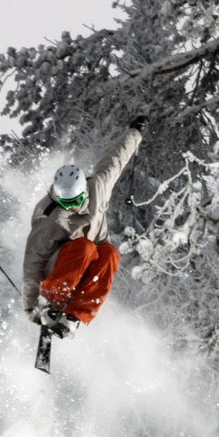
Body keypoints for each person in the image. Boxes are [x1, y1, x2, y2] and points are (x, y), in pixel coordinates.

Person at [22, 115, 149, 337]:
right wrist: (31, 304)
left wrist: (135, 133)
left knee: (110, 253)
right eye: (66, 202)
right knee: (84, 247)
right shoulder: (51, 218)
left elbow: (116, 160)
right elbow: (32, 263)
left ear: (84, 192)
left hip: (87, 264)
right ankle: (52, 301)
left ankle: (76, 314)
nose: (71, 207)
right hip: (57, 268)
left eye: (75, 201)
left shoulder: (98, 186)